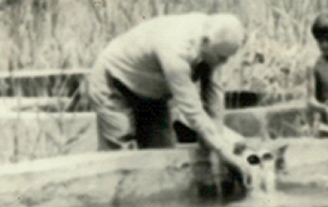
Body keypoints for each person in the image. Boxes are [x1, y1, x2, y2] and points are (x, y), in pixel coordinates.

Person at [86, 13, 260, 182]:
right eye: (221, 58)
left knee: (163, 161)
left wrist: (218, 139)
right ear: (205, 41)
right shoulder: (176, 49)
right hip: (114, 82)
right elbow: (192, 112)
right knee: (122, 163)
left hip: (152, 92)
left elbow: (213, 93)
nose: (223, 64)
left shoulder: (211, 38)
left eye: (227, 59)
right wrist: (224, 152)